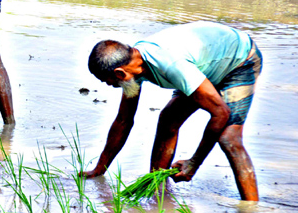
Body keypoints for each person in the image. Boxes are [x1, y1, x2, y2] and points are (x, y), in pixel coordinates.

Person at [83, 21, 262, 201]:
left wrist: (193, 163)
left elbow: (220, 112)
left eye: (108, 81)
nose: (110, 86)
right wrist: (100, 168)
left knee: (229, 138)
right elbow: (124, 120)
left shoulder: (170, 65)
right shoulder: (132, 67)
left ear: (120, 74)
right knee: (168, 119)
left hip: (239, 60)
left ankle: (251, 206)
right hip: (204, 65)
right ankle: (157, 189)